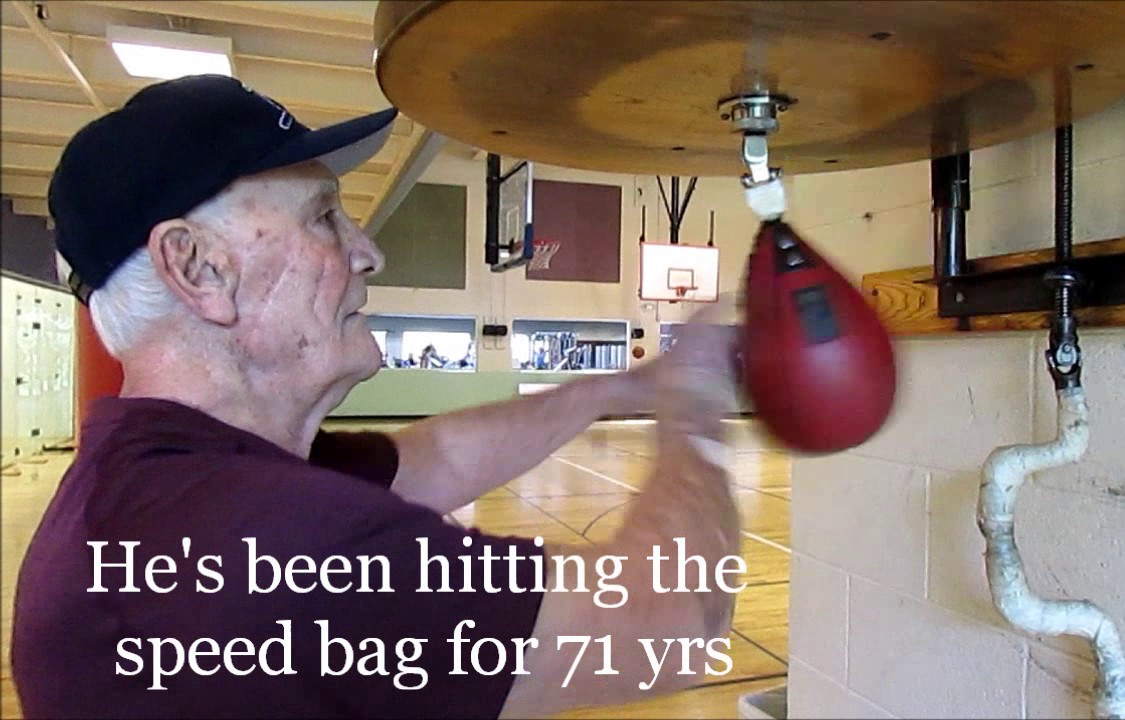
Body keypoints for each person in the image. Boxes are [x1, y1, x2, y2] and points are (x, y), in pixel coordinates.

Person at [11, 75, 742, 719]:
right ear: (199, 268)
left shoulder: (174, 478)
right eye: (324, 217)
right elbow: (673, 622)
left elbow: (439, 456)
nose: (368, 250)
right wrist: (694, 407)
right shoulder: (265, 544)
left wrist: (622, 387)